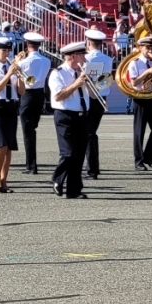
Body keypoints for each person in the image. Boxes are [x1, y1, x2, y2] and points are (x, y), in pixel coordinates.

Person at [48, 42, 90, 199]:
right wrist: (77, 83)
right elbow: (58, 96)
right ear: (73, 57)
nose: (85, 59)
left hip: (81, 115)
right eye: (82, 56)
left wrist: (92, 85)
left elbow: (91, 94)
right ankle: (57, 178)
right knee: (68, 153)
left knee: (79, 155)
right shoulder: (57, 73)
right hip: (65, 115)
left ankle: (74, 190)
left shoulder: (82, 72)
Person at [0, 37, 25, 193]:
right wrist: (9, 74)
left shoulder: (12, 67)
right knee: (1, 144)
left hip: (10, 107)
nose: (6, 53)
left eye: (8, 50)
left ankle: (4, 179)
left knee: (9, 146)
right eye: (3, 50)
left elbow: (21, 91)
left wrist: (20, 75)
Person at [128, 36, 152, 171]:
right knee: (139, 131)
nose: (150, 50)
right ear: (140, 48)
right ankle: (138, 161)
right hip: (140, 98)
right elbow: (134, 83)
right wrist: (148, 72)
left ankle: (149, 157)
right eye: (147, 48)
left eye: (151, 47)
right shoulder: (135, 63)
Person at [17, 32, 51, 175]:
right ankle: (31, 164)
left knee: (27, 131)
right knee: (32, 128)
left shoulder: (22, 62)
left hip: (27, 94)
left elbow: (15, 77)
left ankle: (31, 165)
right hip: (40, 94)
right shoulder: (47, 60)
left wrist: (17, 60)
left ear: (27, 44)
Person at [83, 30, 113, 179]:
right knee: (91, 132)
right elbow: (106, 79)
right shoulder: (108, 59)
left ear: (88, 43)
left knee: (88, 134)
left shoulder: (85, 58)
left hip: (87, 98)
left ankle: (92, 169)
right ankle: (93, 167)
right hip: (101, 97)